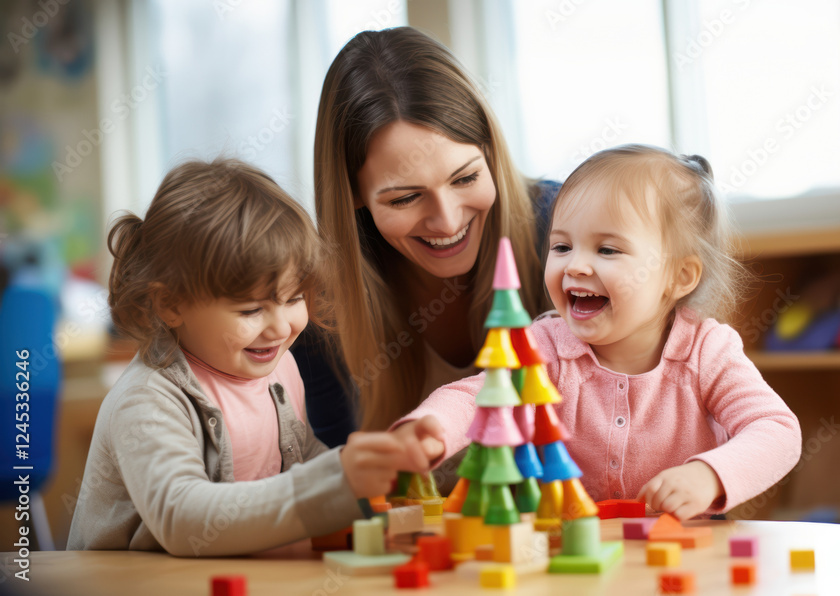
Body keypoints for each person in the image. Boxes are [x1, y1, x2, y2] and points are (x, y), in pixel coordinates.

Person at [391, 145, 802, 520]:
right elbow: (478, 397)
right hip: (566, 555)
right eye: (562, 247)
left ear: (679, 276)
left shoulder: (707, 351)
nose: (575, 266)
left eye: (607, 250)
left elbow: (776, 431)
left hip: (681, 554)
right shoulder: (545, 346)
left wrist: (709, 476)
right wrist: (427, 430)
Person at [67, 158, 443, 555]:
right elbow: (181, 518)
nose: (281, 328)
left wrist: (376, 469)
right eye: (250, 310)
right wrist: (336, 482)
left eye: (295, 298)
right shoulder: (148, 401)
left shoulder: (279, 367)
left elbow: (303, 461)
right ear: (170, 304)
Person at [296, 27, 559, 449]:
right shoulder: (312, 306)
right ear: (353, 195)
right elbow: (340, 474)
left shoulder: (566, 233)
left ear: (490, 151)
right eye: (406, 198)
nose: (447, 220)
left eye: (466, 177)